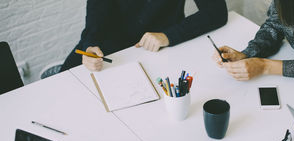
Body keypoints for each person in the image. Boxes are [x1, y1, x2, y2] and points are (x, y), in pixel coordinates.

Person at [61, 0, 228, 72]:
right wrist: (91, 45)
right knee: (64, 83)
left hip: (159, 47)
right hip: (108, 45)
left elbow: (217, 12)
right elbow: (96, 17)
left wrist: (168, 36)